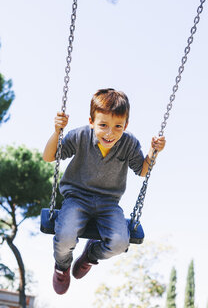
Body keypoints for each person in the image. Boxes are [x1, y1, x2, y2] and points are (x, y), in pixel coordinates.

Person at [43, 88, 166, 295]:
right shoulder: (81, 135)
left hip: (109, 202)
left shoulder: (128, 143)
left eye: (118, 126)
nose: (110, 133)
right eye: (103, 125)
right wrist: (57, 131)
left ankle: (90, 255)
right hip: (77, 198)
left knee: (119, 243)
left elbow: (142, 171)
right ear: (92, 122)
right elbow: (49, 157)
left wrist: (154, 152)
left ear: (125, 125)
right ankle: (62, 266)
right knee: (65, 236)